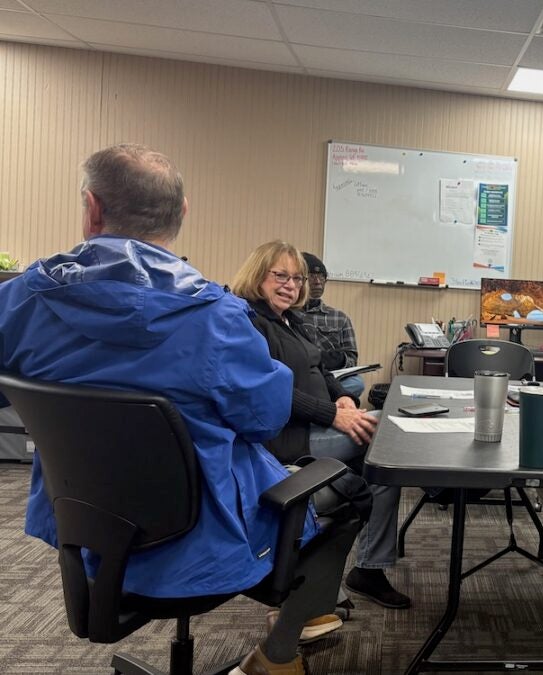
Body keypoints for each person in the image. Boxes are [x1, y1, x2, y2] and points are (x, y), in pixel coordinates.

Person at [0, 144, 362, 675]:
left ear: (92, 208)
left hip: (88, 535)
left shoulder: (23, 298)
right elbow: (264, 420)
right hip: (204, 550)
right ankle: (277, 656)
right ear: (182, 213)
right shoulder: (217, 317)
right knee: (353, 496)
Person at [231, 241, 412, 610]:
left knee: (381, 474)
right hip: (287, 439)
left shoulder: (292, 321)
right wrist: (333, 415)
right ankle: (335, 578)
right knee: (384, 431)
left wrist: (341, 396)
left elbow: (320, 370)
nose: (291, 285)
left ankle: (365, 570)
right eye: (280, 276)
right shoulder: (249, 322)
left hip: (316, 425)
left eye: (297, 278)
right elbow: (271, 393)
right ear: (257, 275)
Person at [301, 252, 366, 399]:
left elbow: (352, 359)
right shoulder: (290, 314)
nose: (317, 282)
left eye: (322, 277)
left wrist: (339, 360)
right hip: (304, 375)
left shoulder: (339, 318)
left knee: (357, 383)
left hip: (332, 376)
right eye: (311, 276)